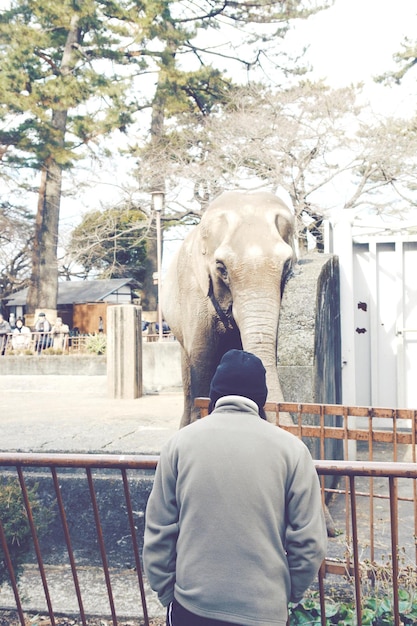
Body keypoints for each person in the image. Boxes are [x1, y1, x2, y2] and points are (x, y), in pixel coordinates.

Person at [143, 349, 327, 626]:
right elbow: (309, 542)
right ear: (261, 399)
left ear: (215, 395)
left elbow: (159, 531)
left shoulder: (179, 444)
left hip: (192, 607)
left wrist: (168, 593)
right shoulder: (293, 450)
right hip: (264, 610)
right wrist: (287, 594)